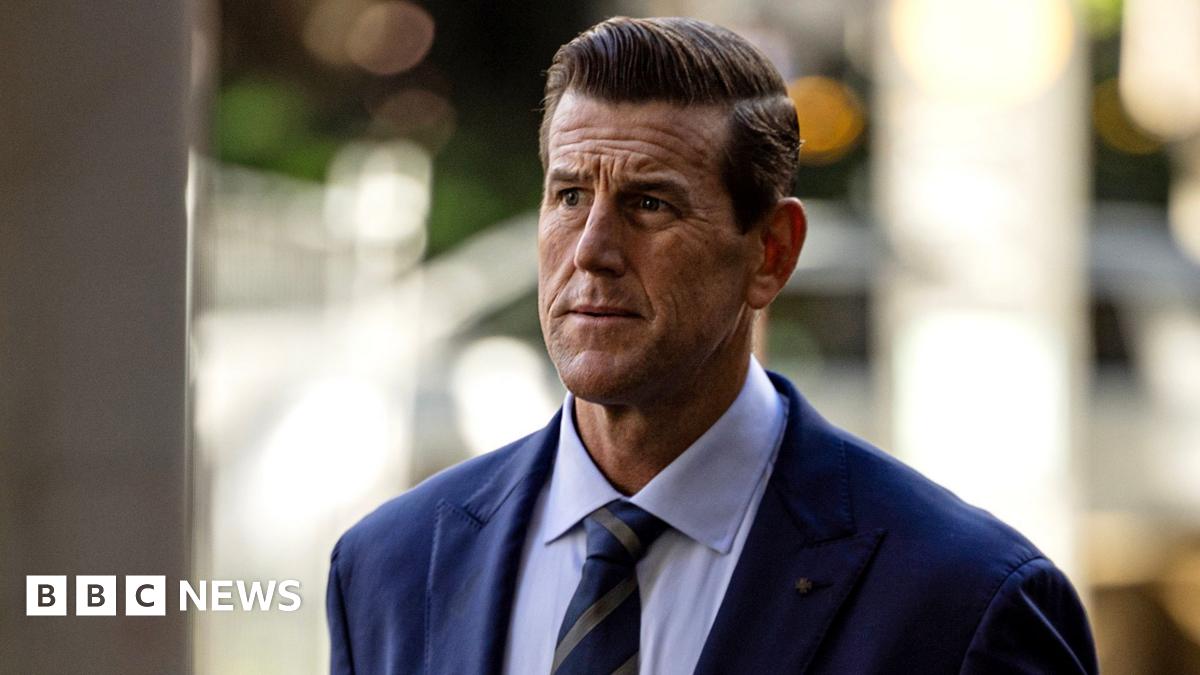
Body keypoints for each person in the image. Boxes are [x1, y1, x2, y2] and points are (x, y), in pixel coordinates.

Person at [326, 16, 1098, 675]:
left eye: (649, 202)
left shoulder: (964, 603)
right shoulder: (389, 568)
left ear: (771, 253)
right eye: (568, 195)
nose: (591, 248)